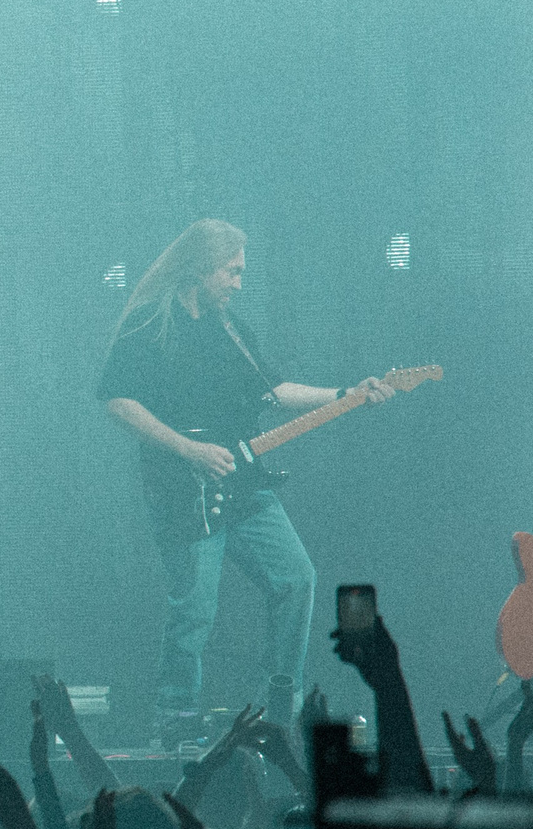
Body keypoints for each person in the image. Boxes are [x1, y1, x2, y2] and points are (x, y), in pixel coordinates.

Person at [95, 219, 394, 717]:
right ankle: (177, 713)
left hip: (245, 485)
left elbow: (274, 392)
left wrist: (348, 394)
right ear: (200, 268)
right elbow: (116, 399)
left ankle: (281, 701)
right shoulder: (150, 323)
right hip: (183, 487)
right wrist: (188, 451)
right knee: (194, 607)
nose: (238, 283)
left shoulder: (231, 329)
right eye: (231, 272)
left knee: (296, 577)